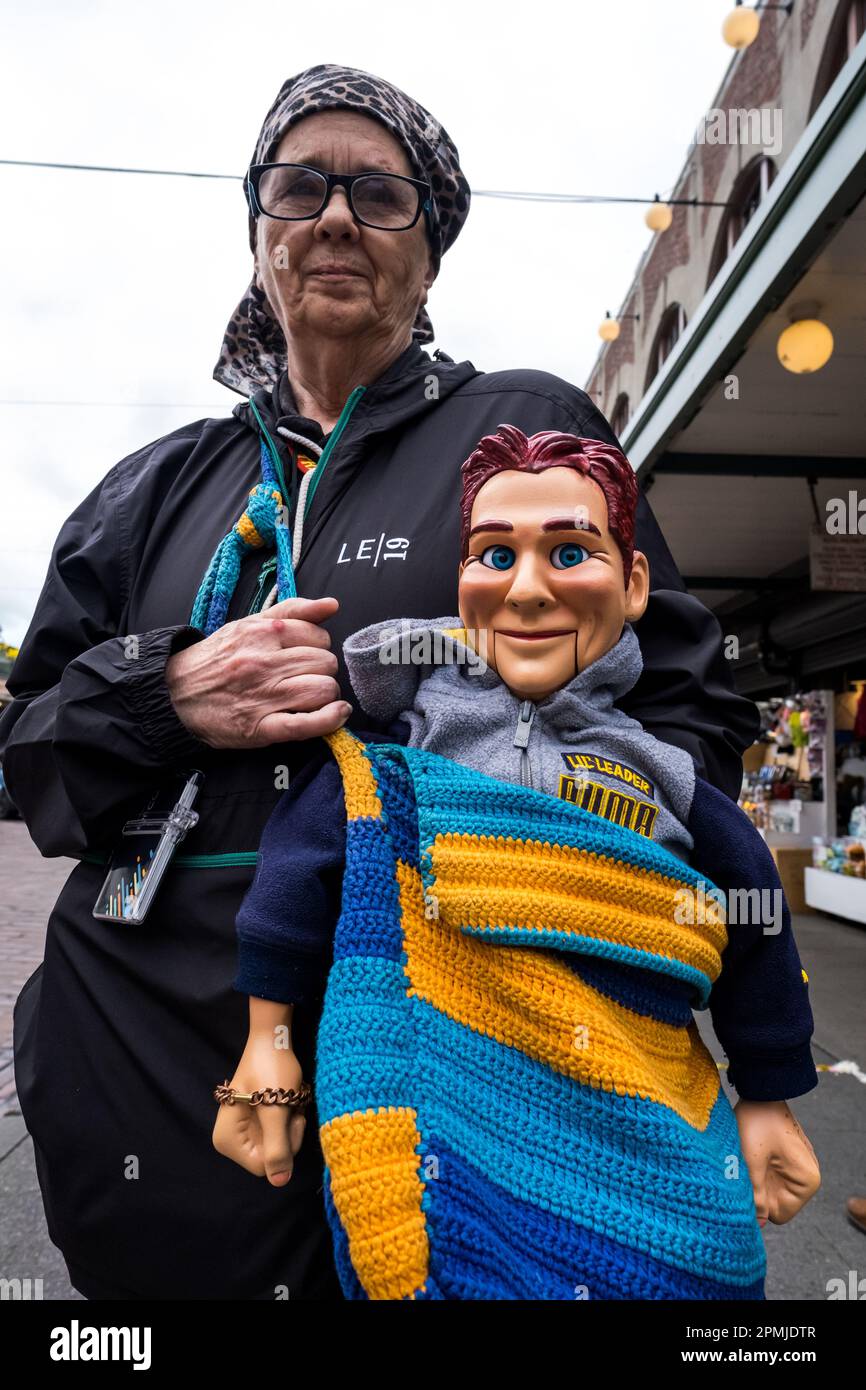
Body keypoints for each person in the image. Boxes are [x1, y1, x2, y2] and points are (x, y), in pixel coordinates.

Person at [0, 65, 759, 1301]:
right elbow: (23, 757)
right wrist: (166, 690)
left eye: (380, 192)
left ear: (430, 250)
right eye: (301, 186)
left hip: (455, 1045)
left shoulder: (518, 432)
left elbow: (687, 709)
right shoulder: (150, 487)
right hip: (141, 1064)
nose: (336, 217)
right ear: (258, 233)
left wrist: (543, 866)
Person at [215, 427, 820, 1298]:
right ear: (462, 584)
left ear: (635, 583)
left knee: (695, 1270)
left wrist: (768, 1093)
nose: (528, 590)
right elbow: (296, 879)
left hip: (641, 1103)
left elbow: (755, 919)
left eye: (571, 551)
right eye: (494, 555)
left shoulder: (669, 777)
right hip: (443, 1104)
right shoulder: (392, 752)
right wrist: (265, 1047)